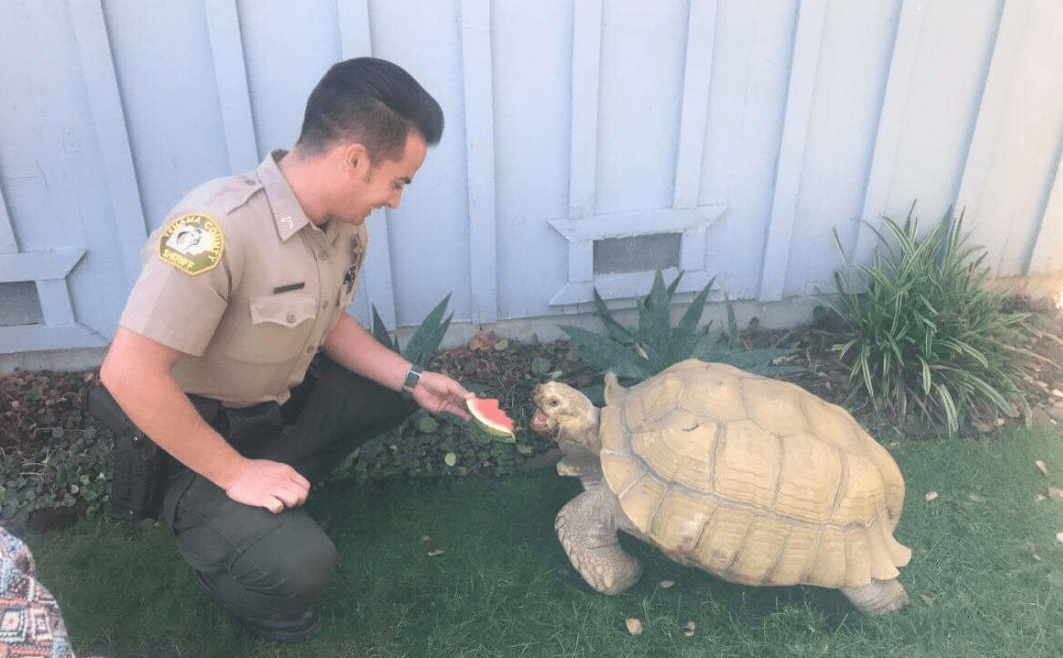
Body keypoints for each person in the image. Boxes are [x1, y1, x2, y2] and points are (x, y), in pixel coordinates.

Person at [99, 57, 473, 643]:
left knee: (393, 394)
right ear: (354, 159)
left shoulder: (343, 222)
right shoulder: (215, 229)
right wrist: (235, 472)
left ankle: (279, 493)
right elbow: (127, 373)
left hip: (275, 410)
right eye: (397, 182)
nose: (397, 201)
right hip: (196, 439)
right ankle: (227, 554)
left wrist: (411, 379)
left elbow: (328, 324)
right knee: (299, 568)